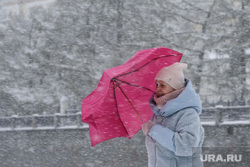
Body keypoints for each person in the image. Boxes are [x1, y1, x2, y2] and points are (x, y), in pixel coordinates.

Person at [142, 62, 204, 167]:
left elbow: (187, 146)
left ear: (175, 87)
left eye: (163, 85)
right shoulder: (158, 114)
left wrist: (155, 130)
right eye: (157, 84)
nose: (158, 88)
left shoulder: (188, 113)